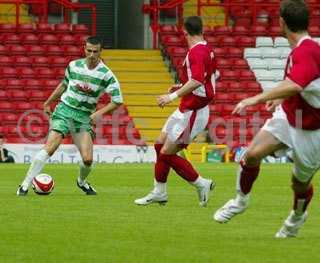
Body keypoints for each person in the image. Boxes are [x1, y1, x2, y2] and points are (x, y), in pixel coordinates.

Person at [213, 0, 320, 238]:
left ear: (282, 22)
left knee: (299, 184)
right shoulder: (303, 49)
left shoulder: (307, 50)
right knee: (251, 155)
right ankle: (240, 201)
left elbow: (295, 84)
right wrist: (280, 99)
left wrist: (256, 99)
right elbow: (300, 84)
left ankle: (297, 217)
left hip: (312, 129)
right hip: (290, 115)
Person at [16, 36, 123, 196]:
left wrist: (97, 114)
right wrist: (47, 102)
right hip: (65, 110)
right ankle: (24, 185)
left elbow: (118, 101)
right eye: (89, 50)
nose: (92, 55)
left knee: (87, 160)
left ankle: (81, 182)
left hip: (84, 117)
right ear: (84, 49)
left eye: (95, 51)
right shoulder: (73, 66)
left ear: (101, 51)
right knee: (50, 147)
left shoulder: (106, 75)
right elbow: (63, 85)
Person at [135, 16, 217, 207]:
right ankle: (160, 192)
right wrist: (181, 86)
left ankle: (201, 183)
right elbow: (202, 80)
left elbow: (197, 80)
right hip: (186, 108)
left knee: (166, 153)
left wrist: (171, 97)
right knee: (159, 146)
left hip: (194, 112)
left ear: (185, 32)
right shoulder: (207, 49)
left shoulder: (196, 52)